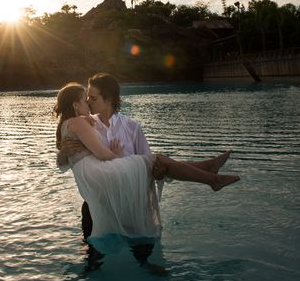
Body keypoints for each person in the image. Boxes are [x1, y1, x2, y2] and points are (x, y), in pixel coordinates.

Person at [55, 75, 239, 266]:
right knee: (93, 259)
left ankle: (208, 171)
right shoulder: (85, 122)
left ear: (108, 99)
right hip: (99, 202)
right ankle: (209, 172)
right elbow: (64, 162)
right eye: (87, 98)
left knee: (142, 254)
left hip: (131, 198)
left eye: (93, 98)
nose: (89, 102)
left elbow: (154, 169)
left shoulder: (132, 127)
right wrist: (63, 152)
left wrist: (160, 172)